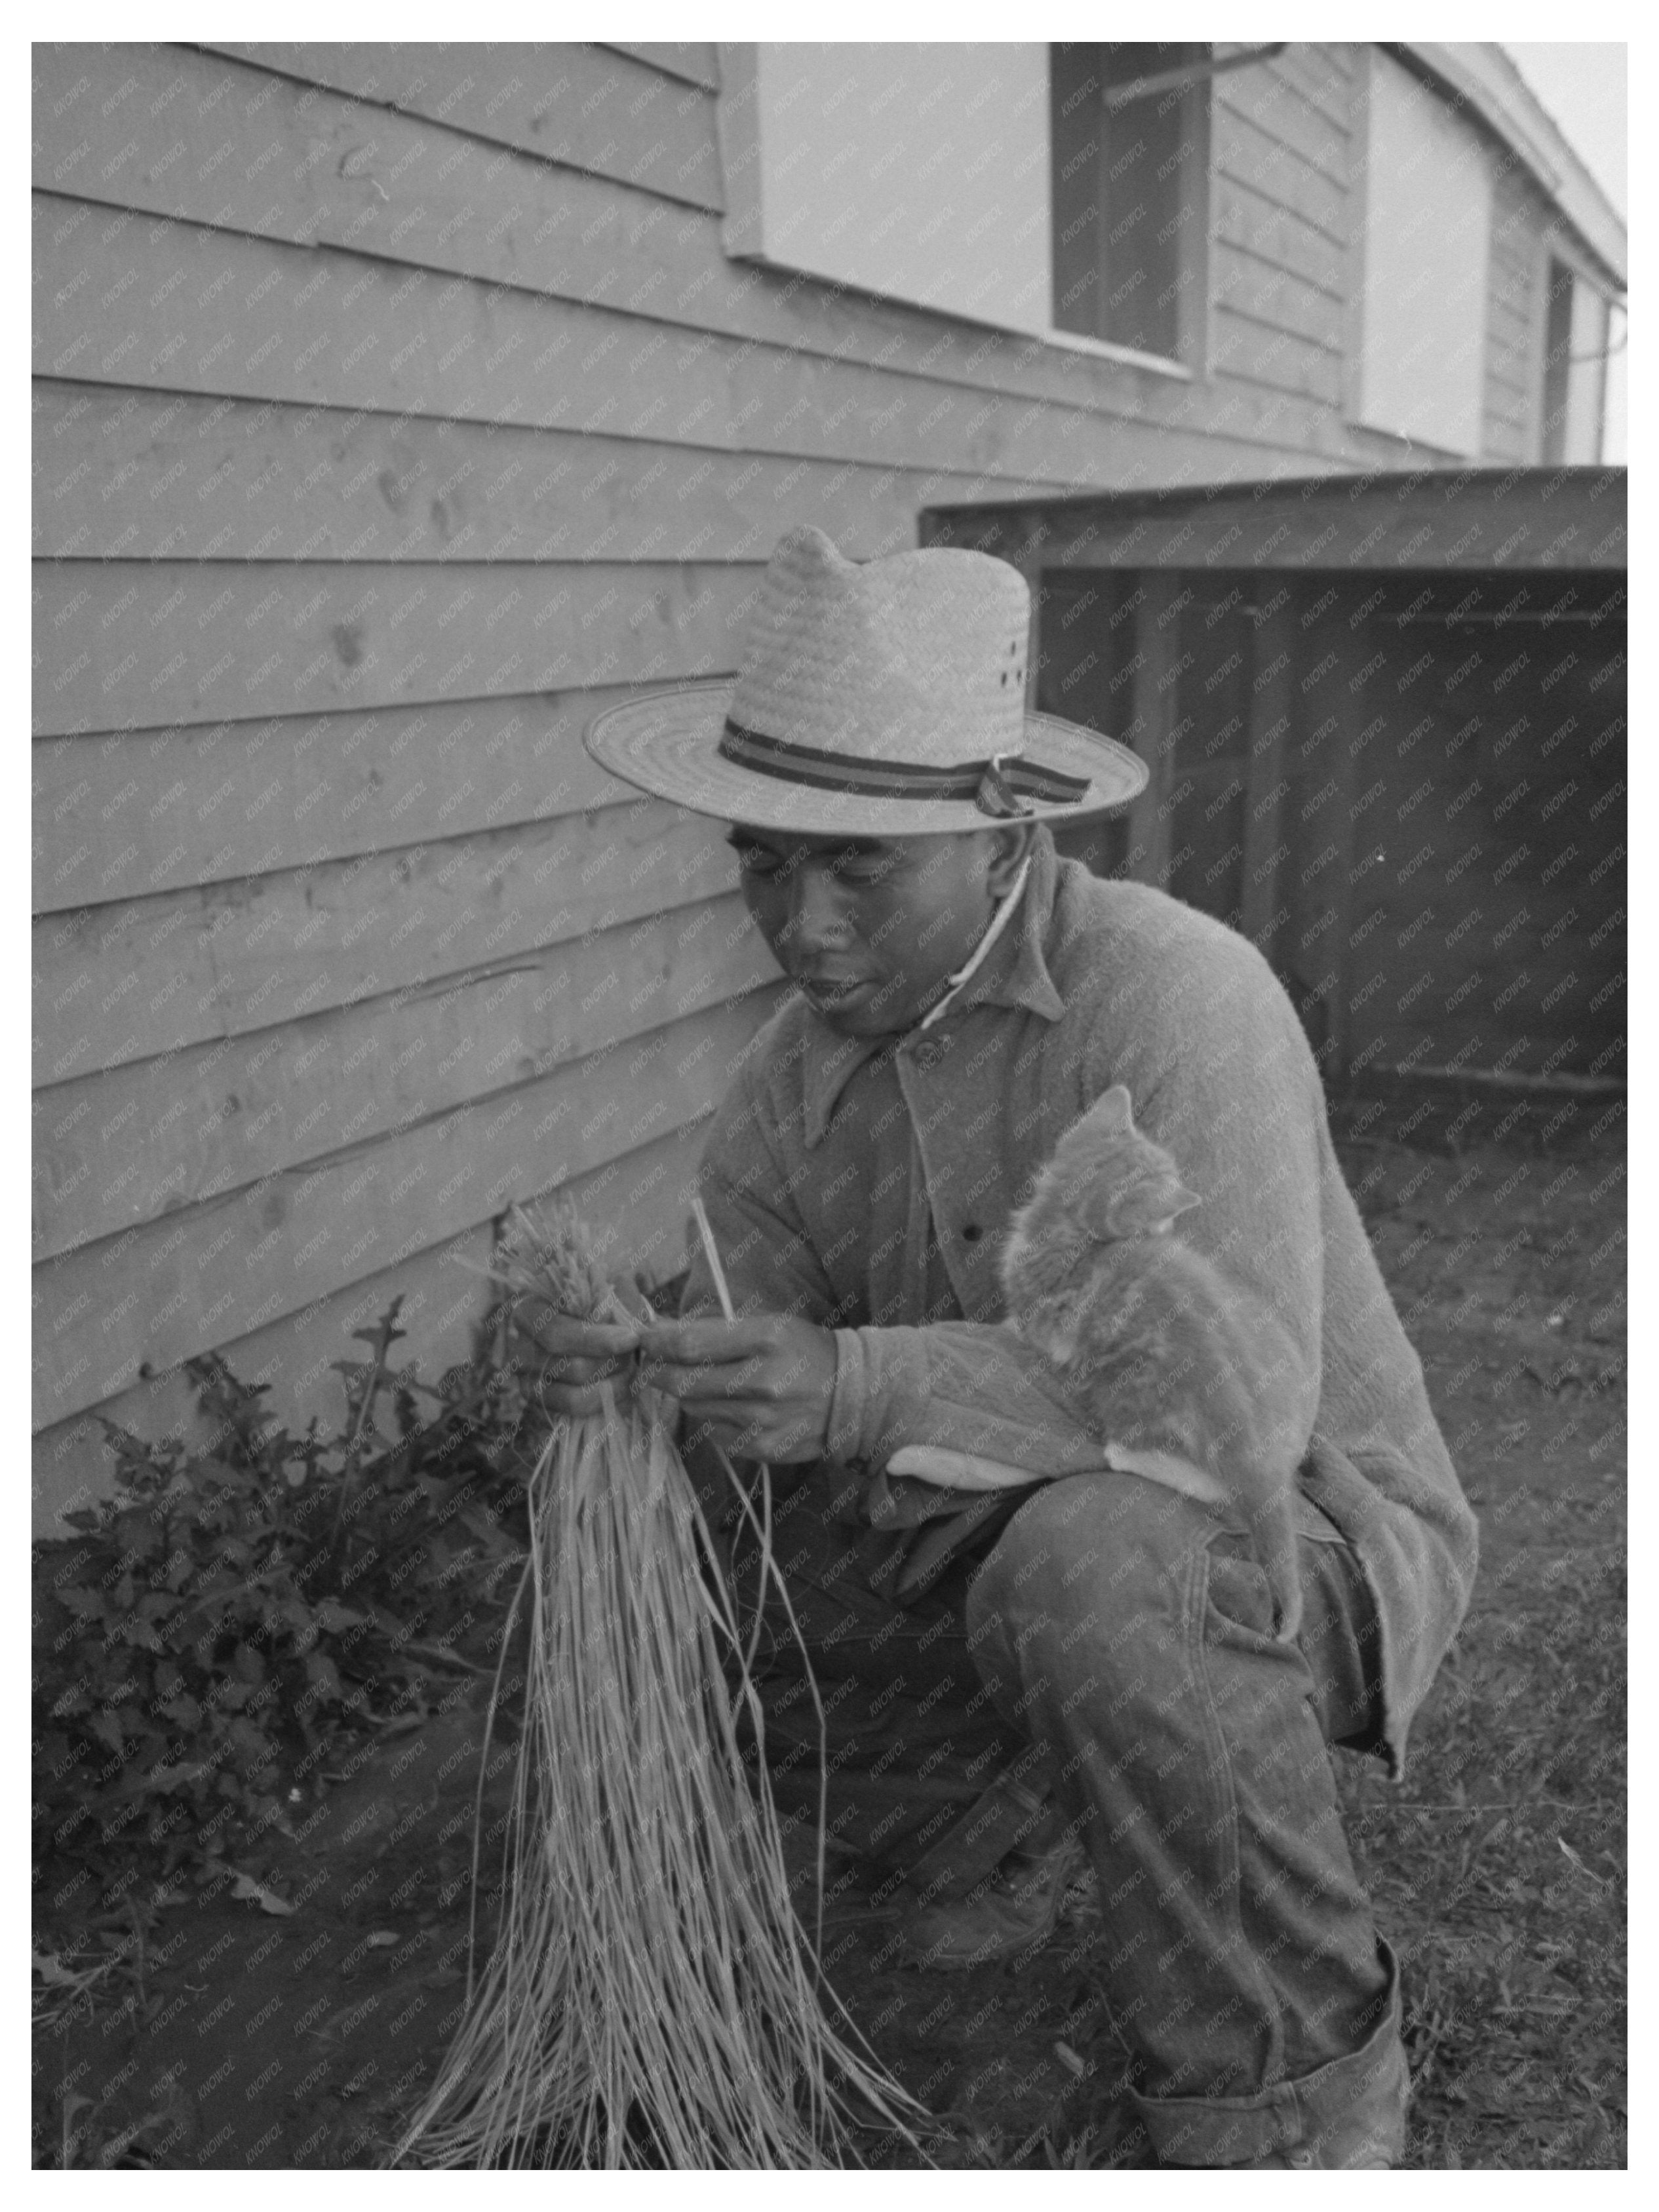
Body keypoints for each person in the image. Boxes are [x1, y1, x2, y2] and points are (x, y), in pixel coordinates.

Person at [515, 524, 1478, 2169]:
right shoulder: (781, 1088)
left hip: (1279, 1533)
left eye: (859, 869)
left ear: (1005, 831)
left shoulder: (1178, 993)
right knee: (655, 1552)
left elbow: (1231, 1407)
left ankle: (1300, 2090)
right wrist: (642, 1373)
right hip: (969, 1529)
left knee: (1102, 1566)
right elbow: (773, 1372)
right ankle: (955, 1833)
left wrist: (855, 1385)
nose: (800, 924)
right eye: (762, 861)